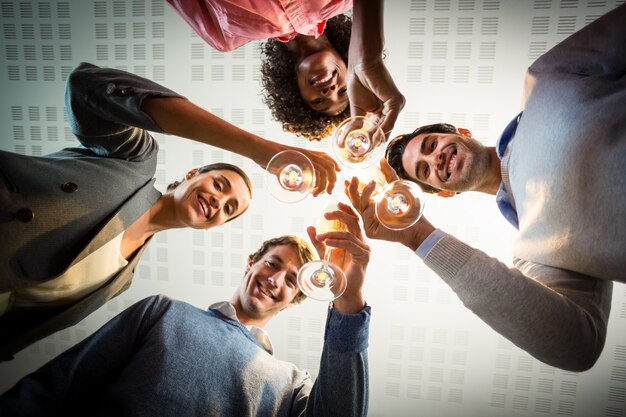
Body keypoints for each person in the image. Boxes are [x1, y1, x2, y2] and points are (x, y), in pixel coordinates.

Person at [349, 3, 626, 372]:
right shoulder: (538, 255)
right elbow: (576, 346)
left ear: (461, 133)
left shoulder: (547, 79)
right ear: (446, 193)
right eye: (425, 171)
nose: (436, 160)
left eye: (431, 145)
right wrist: (418, 237)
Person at [0, 207, 372, 417]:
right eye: (273, 264)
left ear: (295, 299)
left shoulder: (292, 384)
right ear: (250, 263)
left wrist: (348, 298)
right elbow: (64, 382)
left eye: (292, 280)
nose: (276, 279)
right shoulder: (164, 311)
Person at [0, 62, 259, 360]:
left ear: (213, 226)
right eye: (219, 185)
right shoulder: (136, 162)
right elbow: (86, 87)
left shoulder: (122, 281)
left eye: (229, 208)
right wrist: (257, 149)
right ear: (192, 173)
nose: (218, 201)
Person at [166, 0, 405, 140]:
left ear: (295, 94)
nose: (329, 90)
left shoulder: (225, 36)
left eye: (319, 102)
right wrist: (366, 58)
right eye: (343, 91)